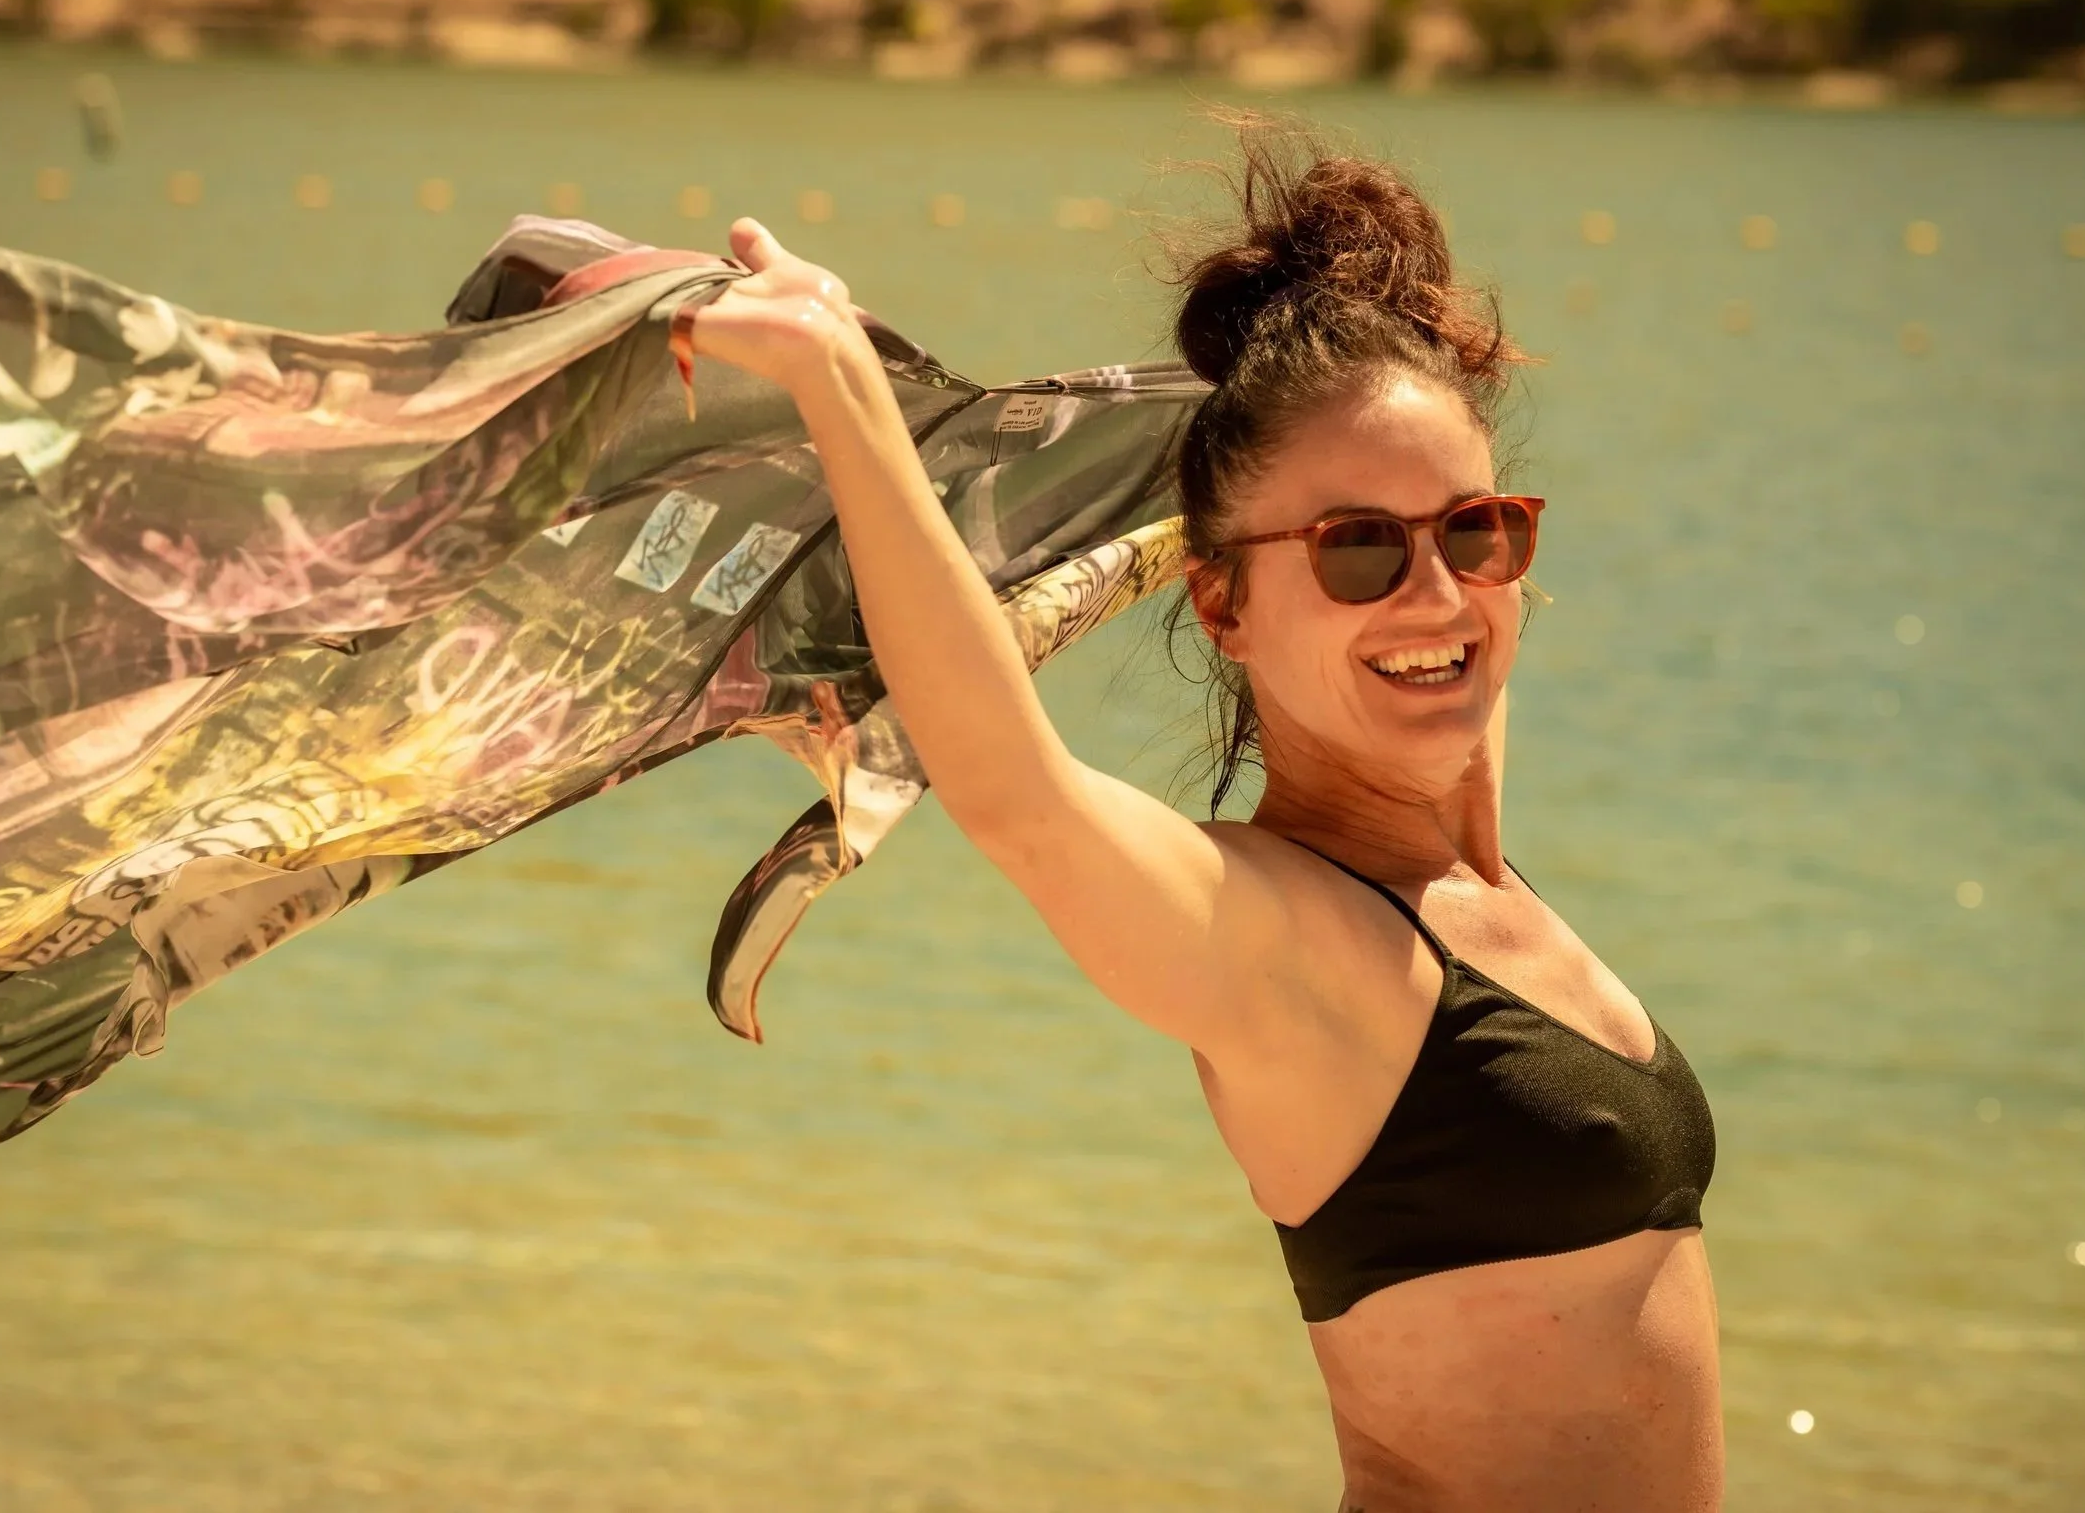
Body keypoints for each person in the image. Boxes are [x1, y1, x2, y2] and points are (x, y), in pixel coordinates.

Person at [687, 127, 1723, 1512]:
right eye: (1359, 547)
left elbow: (1457, 644)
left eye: (1473, 531)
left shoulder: (1468, 866)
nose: (1433, 592)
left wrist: (1375, 362)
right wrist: (839, 383)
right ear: (1223, 605)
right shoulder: (1281, 946)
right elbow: (1015, 793)